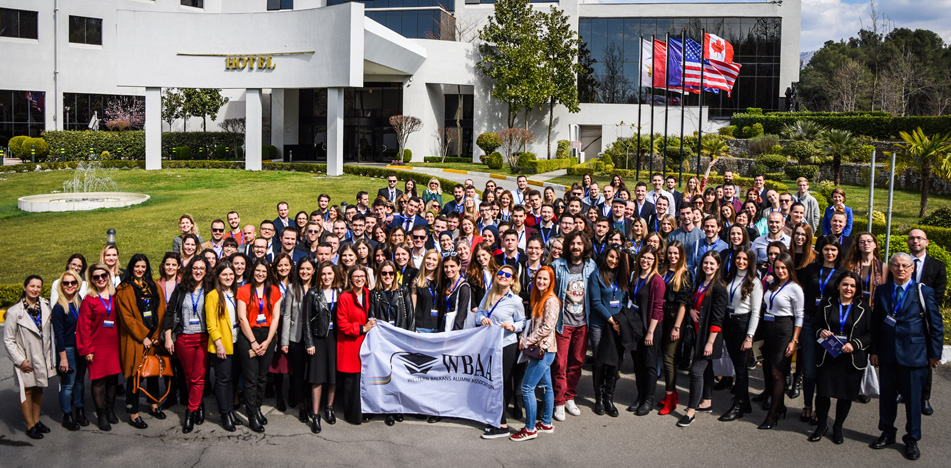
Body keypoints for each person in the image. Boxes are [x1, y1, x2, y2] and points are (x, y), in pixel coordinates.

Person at [869, 253, 943, 460]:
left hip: (915, 356)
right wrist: (874, 351)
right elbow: (876, 324)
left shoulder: (923, 292)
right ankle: (887, 432)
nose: (900, 269)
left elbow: (935, 325)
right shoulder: (883, 290)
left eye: (905, 266)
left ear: (912, 268)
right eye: (896, 265)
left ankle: (912, 439)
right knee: (886, 398)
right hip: (887, 354)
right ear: (890, 268)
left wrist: (934, 354)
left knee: (913, 401)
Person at [810, 272, 872, 445]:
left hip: (850, 358)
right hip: (828, 354)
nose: (848, 288)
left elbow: (870, 334)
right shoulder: (826, 303)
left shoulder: (864, 308)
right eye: (845, 284)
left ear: (857, 289)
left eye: (852, 286)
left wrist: (855, 344)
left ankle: (838, 427)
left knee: (845, 396)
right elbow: (816, 325)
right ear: (838, 285)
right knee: (823, 394)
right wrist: (820, 333)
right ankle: (821, 426)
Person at [116, 254, 167, 430]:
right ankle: (134, 413)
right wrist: (143, 336)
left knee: (153, 373)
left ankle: (154, 405)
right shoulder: (123, 289)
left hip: (153, 339)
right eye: (137, 266)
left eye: (143, 266)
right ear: (131, 267)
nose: (140, 270)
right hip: (135, 340)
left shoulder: (153, 285)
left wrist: (156, 335)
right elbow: (126, 318)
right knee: (134, 377)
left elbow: (162, 309)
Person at [676, 251, 727, 427]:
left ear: (718, 266)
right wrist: (690, 310)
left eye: (712, 264)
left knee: (696, 371)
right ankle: (707, 400)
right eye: (706, 263)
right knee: (707, 370)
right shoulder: (700, 283)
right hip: (697, 334)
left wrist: (710, 342)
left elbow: (718, 318)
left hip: (708, 337)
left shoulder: (719, 288)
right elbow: (692, 301)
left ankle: (690, 411)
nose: (708, 266)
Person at [551, 231, 597, 421]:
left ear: (585, 246)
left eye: (579, 243)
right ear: (568, 245)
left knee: (576, 362)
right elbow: (551, 294)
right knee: (560, 363)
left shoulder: (591, 266)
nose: (576, 247)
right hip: (563, 323)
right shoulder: (557, 266)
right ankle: (559, 401)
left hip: (582, 323)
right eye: (573, 243)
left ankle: (570, 396)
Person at [510, 266, 560, 441]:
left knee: (527, 387)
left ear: (551, 281)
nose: (541, 282)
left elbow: (547, 327)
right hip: (543, 350)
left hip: (543, 351)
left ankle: (530, 428)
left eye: (545, 279)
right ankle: (546, 423)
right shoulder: (540, 298)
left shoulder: (551, 300)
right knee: (546, 387)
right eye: (539, 278)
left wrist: (527, 340)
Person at [162, 257, 211, 433]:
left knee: (198, 377)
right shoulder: (181, 289)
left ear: (206, 271)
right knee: (189, 377)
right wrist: (168, 336)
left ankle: (189, 413)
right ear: (190, 270)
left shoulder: (210, 289)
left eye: (202, 268)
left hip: (204, 339)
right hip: (184, 338)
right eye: (195, 268)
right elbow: (170, 312)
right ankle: (199, 404)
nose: (198, 271)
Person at [476, 264, 526, 439]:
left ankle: (502, 424)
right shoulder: (489, 294)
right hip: (489, 344)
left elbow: (523, 321)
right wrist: (482, 319)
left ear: (513, 280)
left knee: (503, 383)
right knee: (491, 382)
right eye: (501, 273)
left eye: (507, 275)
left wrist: (513, 326)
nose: (503, 276)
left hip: (507, 345)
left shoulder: (516, 301)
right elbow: (479, 313)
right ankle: (496, 417)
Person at [757, 253, 804, 430]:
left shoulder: (795, 288)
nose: (780, 271)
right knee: (769, 370)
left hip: (784, 331)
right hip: (769, 329)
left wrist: (794, 341)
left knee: (778, 374)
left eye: (784, 267)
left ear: (789, 268)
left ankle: (773, 414)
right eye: (777, 267)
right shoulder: (773, 285)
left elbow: (799, 316)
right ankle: (780, 405)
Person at [4, 275, 55, 439]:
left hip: (42, 356)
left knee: (39, 388)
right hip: (26, 358)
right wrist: (20, 360)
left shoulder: (46, 306)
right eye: (32, 286)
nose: (35, 289)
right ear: (25, 287)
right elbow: (8, 340)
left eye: (38, 286)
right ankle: (30, 425)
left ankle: (37, 419)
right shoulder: (14, 312)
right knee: (26, 391)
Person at [236, 259, 283, 433]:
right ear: (253, 271)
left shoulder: (275, 291)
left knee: (263, 377)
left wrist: (268, 341)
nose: (260, 274)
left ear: (268, 273)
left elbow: (276, 317)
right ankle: (251, 415)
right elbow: (242, 317)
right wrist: (254, 342)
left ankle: (257, 407)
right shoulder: (244, 290)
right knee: (250, 379)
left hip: (268, 336)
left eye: (264, 271)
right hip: (249, 336)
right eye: (258, 271)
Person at [717, 247, 762, 422]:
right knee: (737, 365)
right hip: (729, 323)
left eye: (745, 259)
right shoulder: (730, 277)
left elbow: (756, 312)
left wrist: (749, 336)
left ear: (750, 261)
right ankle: (745, 402)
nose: (741, 261)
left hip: (742, 324)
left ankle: (738, 406)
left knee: (742, 369)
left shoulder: (754, 282)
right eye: (738, 258)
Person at [77, 264, 122, 431]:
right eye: (96, 277)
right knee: (98, 381)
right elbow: (83, 327)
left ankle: (110, 409)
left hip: (114, 345)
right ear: (91, 279)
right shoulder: (89, 300)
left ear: (108, 276)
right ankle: (101, 413)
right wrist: (87, 349)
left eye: (103, 275)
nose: (101, 279)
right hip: (96, 346)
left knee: (112, 380)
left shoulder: (115, 295)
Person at [587, 246, 629, 418]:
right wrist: (611, 320)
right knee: (599, 361)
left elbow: (624, 300)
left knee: (614, 362)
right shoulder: (596, 276)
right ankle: (599, 398)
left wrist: (620, 321)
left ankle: (609, 399)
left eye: (617, 258)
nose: (614, 260)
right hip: (601, 325)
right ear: (606, 257)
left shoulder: (621, 277)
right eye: (611, 257)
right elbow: (596, 302)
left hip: (617, 325)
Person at [303, 261, 343, 433]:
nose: (327, 277)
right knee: (317, 378)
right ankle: (316, 413)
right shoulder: (313, 293)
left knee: (333, 377)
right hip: (319, 339)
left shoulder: (340, 292)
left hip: (335, 339)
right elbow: (305, 320)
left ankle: (329, 407)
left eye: (330, 273)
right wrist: (309, 342)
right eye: (324, 274)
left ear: (334, 274)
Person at [203, 261, 242, 432]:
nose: (228, 277)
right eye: (225, 274)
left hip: (236, 342)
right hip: (222, 344)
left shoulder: (237, 293)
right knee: (223, 380)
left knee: (232, 379)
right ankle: (225, 413)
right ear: (218, 276)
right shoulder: (212, 295)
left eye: (231, 275)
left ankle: (231, 411)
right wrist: (219, 345)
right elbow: (211, 324)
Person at [626, 246, 666, 416]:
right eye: (643, 257)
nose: (646, 261)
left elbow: (658, 308)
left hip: (650, 327)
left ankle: (648, 399)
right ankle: (640, 395)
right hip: (635, 327)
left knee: (649, 365)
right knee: (638, 364)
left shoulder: (656, 280)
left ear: (654, 261)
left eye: (650, 258)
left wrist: (650, 331)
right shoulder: (635, 276)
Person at [337, 266, 377, 425]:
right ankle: (352, 414)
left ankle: (365, 411)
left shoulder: (370, 294)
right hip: (350, 344)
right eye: (356, 276)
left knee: (365, 380)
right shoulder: (344, 297)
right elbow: (342, 324)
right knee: (352, 382)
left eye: (362, 276)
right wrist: (362, 328)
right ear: (351, 279)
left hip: (366, 344)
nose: (359, 279)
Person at [281, 258, 317, 424]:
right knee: (298, 373)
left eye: (308, 269)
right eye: (302, 269)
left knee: (312, 373)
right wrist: (284, 341)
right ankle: (302, 405)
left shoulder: (317, 288)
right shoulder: (291, 288)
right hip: (296, 337)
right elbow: (287, 315)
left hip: (314, 338)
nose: (305, 272)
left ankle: (312, 403)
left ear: (313, 271)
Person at [51, 270, 88, 430]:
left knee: (80, 382)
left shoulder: (79, 301)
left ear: (78, 284)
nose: (70, 286)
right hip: (68, 349)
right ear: (61, 285)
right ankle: (67, 414)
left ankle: (79, 410)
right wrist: (63, 357)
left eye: (73, 283)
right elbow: (58, 334)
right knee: (68, 384)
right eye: (66, 283)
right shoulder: (59, 307)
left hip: (81, 347)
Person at [658, 241, 692, 415]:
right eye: (670, 253)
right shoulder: (662, 271)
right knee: (664, 357)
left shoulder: (684, 274)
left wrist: (677, 327)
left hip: (674, 320)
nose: (672, 256)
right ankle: (672, 393)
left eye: (676, 253)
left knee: (669, 359)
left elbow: (683, 305)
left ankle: (670, 397)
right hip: (661, 318)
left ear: (681, 255)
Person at [843, 232, 886, 308]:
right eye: (862, 242)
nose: (866, 244)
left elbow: (884, 289)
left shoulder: (882, 266)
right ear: (858, 246)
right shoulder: (850, 265)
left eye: (869, 241)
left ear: (875, 245)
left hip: (875, 307)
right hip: (854, 307)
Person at [440, 254, 472, 332]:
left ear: (459, 266)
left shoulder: (464, 287)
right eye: (446, 267)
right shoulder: (446, 284)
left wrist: (455, 334)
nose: (448, 269)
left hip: (455, 329)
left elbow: (462, 313)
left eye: (452, 266)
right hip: (444, 325)